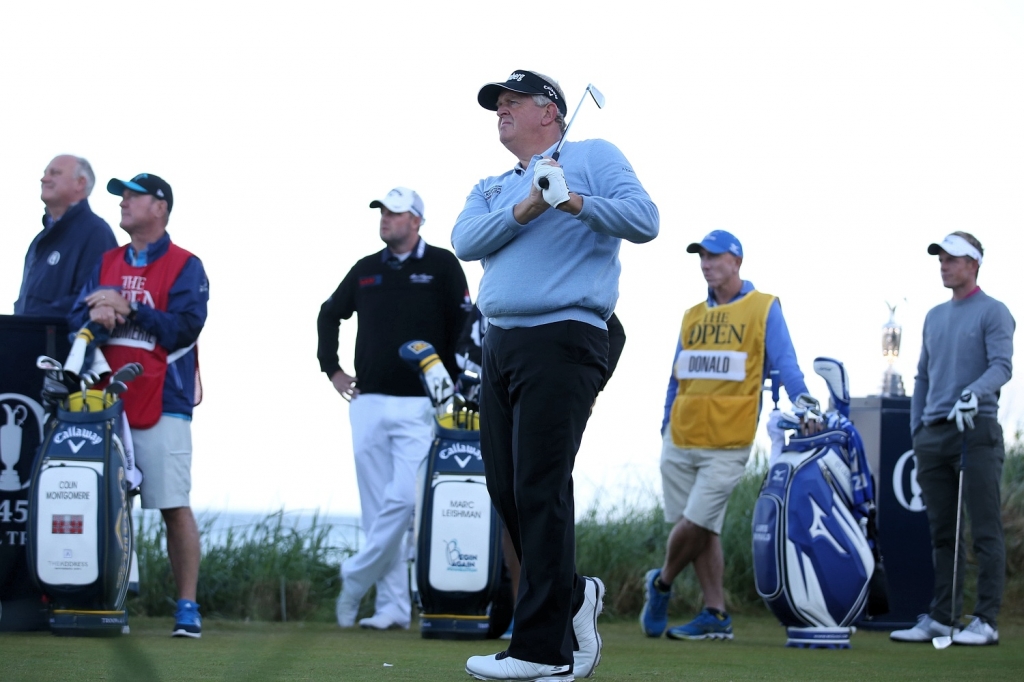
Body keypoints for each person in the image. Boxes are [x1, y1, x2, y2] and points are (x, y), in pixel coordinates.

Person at [452, 70, 659, 680]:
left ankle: (540, 650)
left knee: (540, 484)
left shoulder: (593, 155)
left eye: (513, 103)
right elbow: (467, 241)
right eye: (498, 105)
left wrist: (572, 199)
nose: (501, 112)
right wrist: (531, 203)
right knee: (506, 486)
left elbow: (645, 219)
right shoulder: (491, 186)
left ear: (552, 112)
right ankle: (570, 597)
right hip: (502, 344)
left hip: (565, 337)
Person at [640, 230, 812, 641]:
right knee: (704, 529)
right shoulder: (692, 315)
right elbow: (676, 375)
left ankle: (661, 583)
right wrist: (665, 423)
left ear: (736, 261)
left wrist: (803, 399)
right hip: (680, 436)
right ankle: (716, 614)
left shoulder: (763, 307)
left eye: (714, 257)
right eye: (701, 258)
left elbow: (785, 362)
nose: (706, 264)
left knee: (696, 521)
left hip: (729, 441)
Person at [317, 187, 471, 631]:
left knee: (403, 502)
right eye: (383, 211)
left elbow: (466, 322)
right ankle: (391, 609)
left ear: (417, 221)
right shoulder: (366, 269)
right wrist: (333, 369)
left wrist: (455, 384)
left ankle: (354, 575)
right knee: (374, 509)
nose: (386, 219)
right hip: (367, 402)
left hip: (424, 405)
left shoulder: (442, 264)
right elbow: (329, 313)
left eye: (396, 213)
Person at [68, 173, 209, 638]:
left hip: (164, 398)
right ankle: (109, 600)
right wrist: (96, 313)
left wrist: (127, 307)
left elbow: (185, 328)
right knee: (107, 504)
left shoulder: (187, 264)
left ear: (161, 207)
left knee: (172, 504)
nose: (124, 202)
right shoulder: (106, 260)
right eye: (122, 196)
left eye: (134, 196)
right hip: (103, 398)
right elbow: (77, 315)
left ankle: (187, 605)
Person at [890, 232, 1014, 646]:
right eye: (941, 258)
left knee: (984, 529)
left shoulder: (994, 312)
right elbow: (923, 376)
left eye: (952, 259)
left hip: (975, 430)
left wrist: (972, 393)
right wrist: (917, 427)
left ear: (973, 263)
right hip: (933, 434)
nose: (944, 265)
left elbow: (1001, 367)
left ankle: (986, 620)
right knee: (943, 533)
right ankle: (943, 617)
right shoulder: (933, 316)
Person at [15, 155, 117, 317]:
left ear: (80, 183)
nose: (44, 179)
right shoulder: (40, 240)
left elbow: (93, 299)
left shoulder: (96, 233)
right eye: (45, 173)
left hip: (64, 341)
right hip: (29, 340)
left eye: (54, 173)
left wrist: (31, 320)